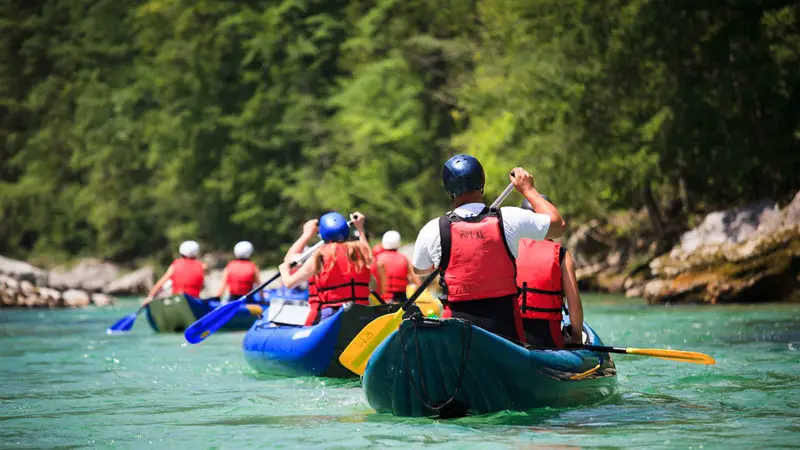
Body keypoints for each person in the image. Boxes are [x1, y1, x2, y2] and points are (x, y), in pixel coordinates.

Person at [412, 154, 566, 342]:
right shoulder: (510, 218)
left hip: (457, 333)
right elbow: (558, 226)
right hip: (506, 331)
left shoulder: (433, 229)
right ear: (481, 182)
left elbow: (420, 269)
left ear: (449, 189)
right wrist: (528, 190)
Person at [279, 212, 373, 326]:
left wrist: (307, 234)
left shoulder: (320, 256)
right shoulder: (360, 251)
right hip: (362, 314)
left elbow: (289, 281)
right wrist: (360, 229)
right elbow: (374, 284)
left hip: (333, 315)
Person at [516, 197, 584, 348]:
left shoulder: (507, 247)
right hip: (547, 339)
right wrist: (576, 337)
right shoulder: (561, 254)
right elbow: (574, 303)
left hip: (510, 336)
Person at [144, 240, 205, 304]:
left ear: (181, 252)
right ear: (196, 252)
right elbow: (202, 286)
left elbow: (161, 282)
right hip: (194, 301)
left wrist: (150, 296)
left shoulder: (175, 265)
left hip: (177, 300)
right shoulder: (201, 266)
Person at [375, 230, 420, 303]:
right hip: (400, 298)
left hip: (381, 299)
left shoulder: (378, 258)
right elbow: (417, 281)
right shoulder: (404, 259)